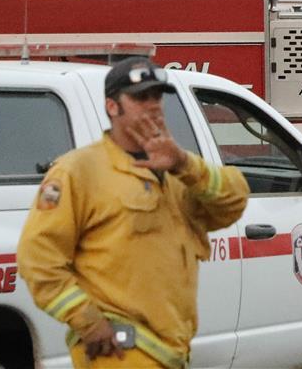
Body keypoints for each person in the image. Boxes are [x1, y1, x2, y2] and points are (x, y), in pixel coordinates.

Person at [18, 57, 250, 368]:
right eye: (140, 98)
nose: (153, 105)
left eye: (157, 96)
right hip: (118, 349)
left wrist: (184, 164)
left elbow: (233, 203)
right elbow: (38, 258)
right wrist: (86, 320)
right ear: (112, 107)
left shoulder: (178, 170)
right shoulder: (79, 171)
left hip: (168, 350)